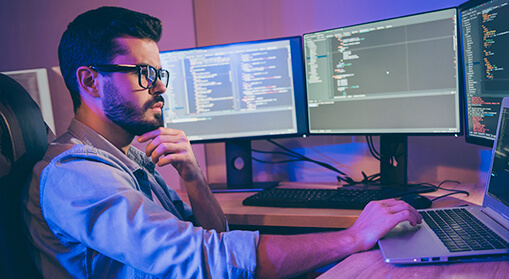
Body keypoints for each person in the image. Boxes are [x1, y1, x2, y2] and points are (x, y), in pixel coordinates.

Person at [22, 6, 422, 278]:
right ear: (90, 81)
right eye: (144, 72)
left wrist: (194, 179)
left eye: (161, 73)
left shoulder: (131, 161)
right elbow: (205, 260)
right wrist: (352, 236)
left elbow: (212, 239)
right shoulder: (76, 175)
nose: (160, 86)